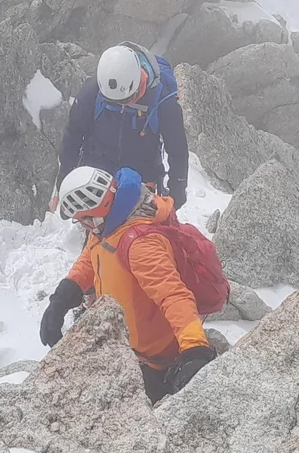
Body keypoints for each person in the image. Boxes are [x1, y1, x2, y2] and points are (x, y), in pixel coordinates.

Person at [38, 164, 216, 403]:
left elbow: (173, 295)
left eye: (84, 221)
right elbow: (92, 256)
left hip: (156, 361)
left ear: (98, 211)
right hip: (131, 350)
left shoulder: (140, 244)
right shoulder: (110, 222)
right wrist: (62, 296)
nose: (84, 227)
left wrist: (195, 349)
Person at [57, 43, 188, 210]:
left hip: (141, 181)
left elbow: (177, 149)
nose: (123, 107)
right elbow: (74, 131)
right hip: (97, 177)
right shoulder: (94, 89)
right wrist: (65, 172)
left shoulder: (163, 100)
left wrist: (177, 188)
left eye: (127, 100)